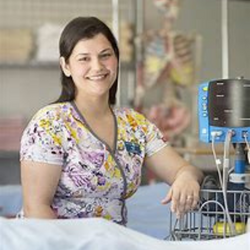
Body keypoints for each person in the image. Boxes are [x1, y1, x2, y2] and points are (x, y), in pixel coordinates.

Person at [20, 16, 203, 225]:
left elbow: (184, 169)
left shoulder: (134, 124)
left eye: (105, 55)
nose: (97, 67)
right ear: (66, 66)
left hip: (113, 242)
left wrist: (187, 178)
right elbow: (35, 208)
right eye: (84, 59)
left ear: (116, 59)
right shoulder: (49, 124)